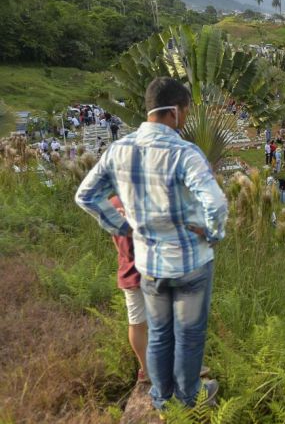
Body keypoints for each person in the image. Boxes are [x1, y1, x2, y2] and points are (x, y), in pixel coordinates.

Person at [75, 77, 227, 411]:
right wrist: (212, 233)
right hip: (190, 264)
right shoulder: (185, 152)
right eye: (185, 112)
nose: (185, 119)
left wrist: (125, 227)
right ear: (174, 111)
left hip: (149, 266)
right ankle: (188, 400)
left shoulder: (119, 150)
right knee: (188, 337)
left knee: (159, 333)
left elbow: (86, 195)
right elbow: (215, 204)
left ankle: (161, 401)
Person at [109, 195, 149, 383]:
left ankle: (146, 369)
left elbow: (116, 243)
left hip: (128, 271)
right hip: (151, 271)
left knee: (137, 323)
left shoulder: (113, 203)